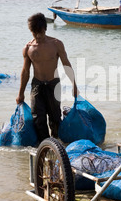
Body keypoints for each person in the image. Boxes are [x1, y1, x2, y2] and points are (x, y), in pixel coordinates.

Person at [16, 12, 78, 143]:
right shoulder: (28, 48)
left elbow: (66, 64)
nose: (38, 36)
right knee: (38, 119)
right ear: (31, 31)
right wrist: (20, 93)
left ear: (45, 28)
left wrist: (74, 85)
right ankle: (44, 147)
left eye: (40, 32)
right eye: (34, 33)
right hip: (37, 85)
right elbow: (25, 71)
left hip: (53, 84)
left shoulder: (56, 44)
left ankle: (58, 146)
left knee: (55, 118)